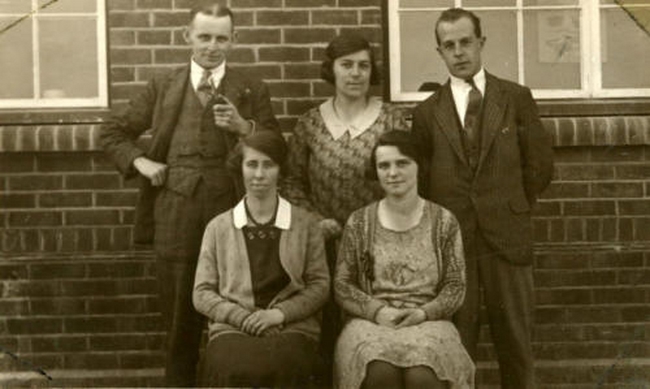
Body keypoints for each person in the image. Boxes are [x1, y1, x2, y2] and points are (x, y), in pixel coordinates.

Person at [99, 2, 279, 386]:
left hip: (233, 214)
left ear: (234, 40)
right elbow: (112, 133)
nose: (212, 46)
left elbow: (277, 147)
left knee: (235, 312)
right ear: (187, 37)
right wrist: (141, 164)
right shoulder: (163, 85)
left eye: (221, 38)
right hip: (174, 217)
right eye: (204, 37)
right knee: (180, 321)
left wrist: (245, 127)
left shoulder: (250, 87)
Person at [411, 8, 554, 389]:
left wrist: (511, 206)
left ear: (482, 43)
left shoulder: (516, 97)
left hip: (508, 239)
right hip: (456, 245)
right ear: (439, 52)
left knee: (517, 345)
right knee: (458, 347)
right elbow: (422, 182)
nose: (459, 52)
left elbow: (539, 166)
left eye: (466, 42)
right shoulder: (427, 112)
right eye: (449, 45)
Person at [282, 34, 409, 378]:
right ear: (331, 70)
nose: (356, 73)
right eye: (347, 65)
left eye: (363, 66)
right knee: (325, 336)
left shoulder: (391, 119)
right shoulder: (310, 122)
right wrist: (314, 220)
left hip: (377, 244)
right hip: (323, 244)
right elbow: (291, 182)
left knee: (372, 332)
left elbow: (406, 179)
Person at [334, 130, 474, 389]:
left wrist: (423, 313)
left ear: (420, 165)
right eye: (383, 166)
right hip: (371, 323)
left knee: (424, 377)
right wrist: (378, 311)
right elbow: (342, 285)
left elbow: (456, 286)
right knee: (378, 374)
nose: (393, 173)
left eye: (402, 163)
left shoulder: (444, 221)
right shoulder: (360, 222)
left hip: (428, 322)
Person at [192, 131, 330, 387]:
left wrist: (279, 314)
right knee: (230, 367)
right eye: (252, 164)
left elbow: (320, 286)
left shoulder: (306, 224)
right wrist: (242, 318)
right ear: (240, 168)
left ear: (281, 169)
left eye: (269, 165)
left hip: (291, 327)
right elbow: (202, 292)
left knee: (288, 365)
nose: (259, 174)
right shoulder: (218, 227)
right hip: (234, 328)